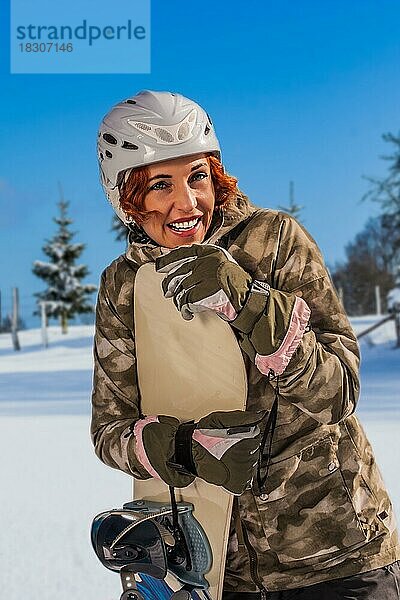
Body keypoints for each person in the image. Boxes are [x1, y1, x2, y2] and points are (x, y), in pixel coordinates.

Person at [91, 90, 400, 599]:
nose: (187, 202)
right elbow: (110, 430)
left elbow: (339, 389)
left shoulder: (274, 241)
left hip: (338, 556)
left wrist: (253, 305)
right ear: (126, 195)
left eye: (198, 176)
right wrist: (185, 448)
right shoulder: (123, 288)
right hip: (215, 568)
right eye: (161, 184)